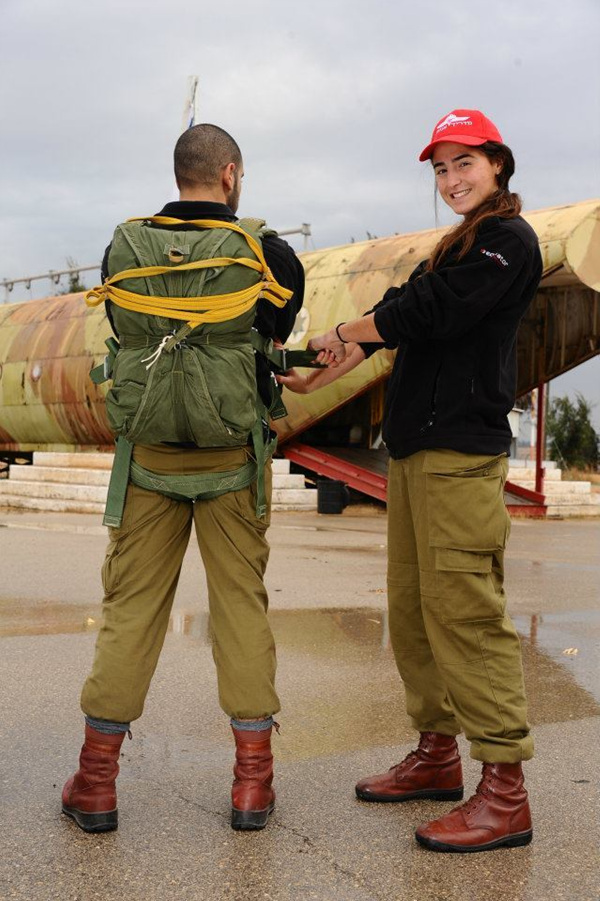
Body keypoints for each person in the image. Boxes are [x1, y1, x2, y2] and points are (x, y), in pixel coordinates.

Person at [279, 109, 542, 853]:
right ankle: (436, 753)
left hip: (461, 455)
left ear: (498, 164)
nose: (451, 179)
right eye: (441, 168)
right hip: (416, 450)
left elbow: (431, 310)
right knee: (416, 611)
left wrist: (344, 331)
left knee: (466, 614)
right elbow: (404, 314)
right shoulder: (454, 245)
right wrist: (336, 363)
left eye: (465, 163)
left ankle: (505, 793)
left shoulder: (507, 240)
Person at [62, 124, 305, 833]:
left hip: (149, 460)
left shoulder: (124, 247)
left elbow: (121, 328)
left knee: (130, 613)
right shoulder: (269, 252)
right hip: (232, 462)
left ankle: (96, 784)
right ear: (229, 174)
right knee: (241, 612)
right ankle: (252, 785)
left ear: (179, 174)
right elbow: (275, 332)